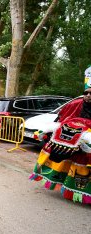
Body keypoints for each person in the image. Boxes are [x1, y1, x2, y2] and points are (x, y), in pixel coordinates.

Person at [30, 65, 91, 204]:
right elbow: (61, 118)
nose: (88, 95)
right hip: (73, 140)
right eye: (86, 92)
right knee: (68, 161)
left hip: (87, 142)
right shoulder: (75, 104)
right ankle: (66, 186)